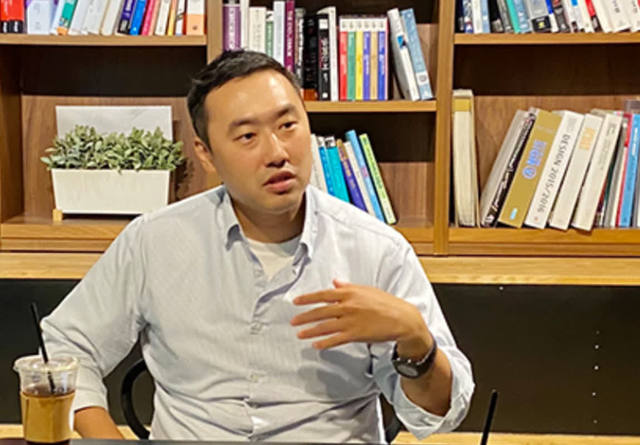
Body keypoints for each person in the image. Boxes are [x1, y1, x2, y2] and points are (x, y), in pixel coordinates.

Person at [42, 50, 474, 443]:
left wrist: (416, 339)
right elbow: (67, 347)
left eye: (288, 125)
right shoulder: (154, 241)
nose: (277, 152)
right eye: (247, 136)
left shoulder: (377, 251)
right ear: (206, 154)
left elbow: (438, 416)